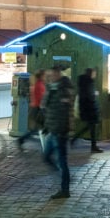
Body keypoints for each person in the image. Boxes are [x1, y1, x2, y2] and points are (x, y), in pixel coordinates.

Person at [43, 66, 75, 199]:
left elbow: (64, 113)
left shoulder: (63, 90)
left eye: (52, 75)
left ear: (58, 75)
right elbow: (47, 106)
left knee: (63, 161)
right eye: (48, 76)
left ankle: (65, 188)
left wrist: (61, 130)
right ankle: (64, 176)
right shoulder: (52, 88)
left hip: (60, 132)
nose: (49, 78)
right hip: (52, 130)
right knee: (46, 157)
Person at [70, 68, 103, 153]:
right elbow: (90, 96)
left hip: (85, 108)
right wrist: (95, 94)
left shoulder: (82, 83)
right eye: (94, 73)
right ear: (91, 74)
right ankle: (93, 146)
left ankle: (75, 139)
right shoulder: (89, 82)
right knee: (92, 127)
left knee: (90, 127)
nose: (95, 75)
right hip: (90, 109)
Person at [17, 69, 46, 149]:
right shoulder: (39, 85)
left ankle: (22, 139)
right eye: (44, 75)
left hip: (35, 108)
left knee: (37, 129)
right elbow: (41, 98)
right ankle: (46, 146)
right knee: (39, 129)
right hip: (37, 109)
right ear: (41, 76)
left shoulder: (37, 84)